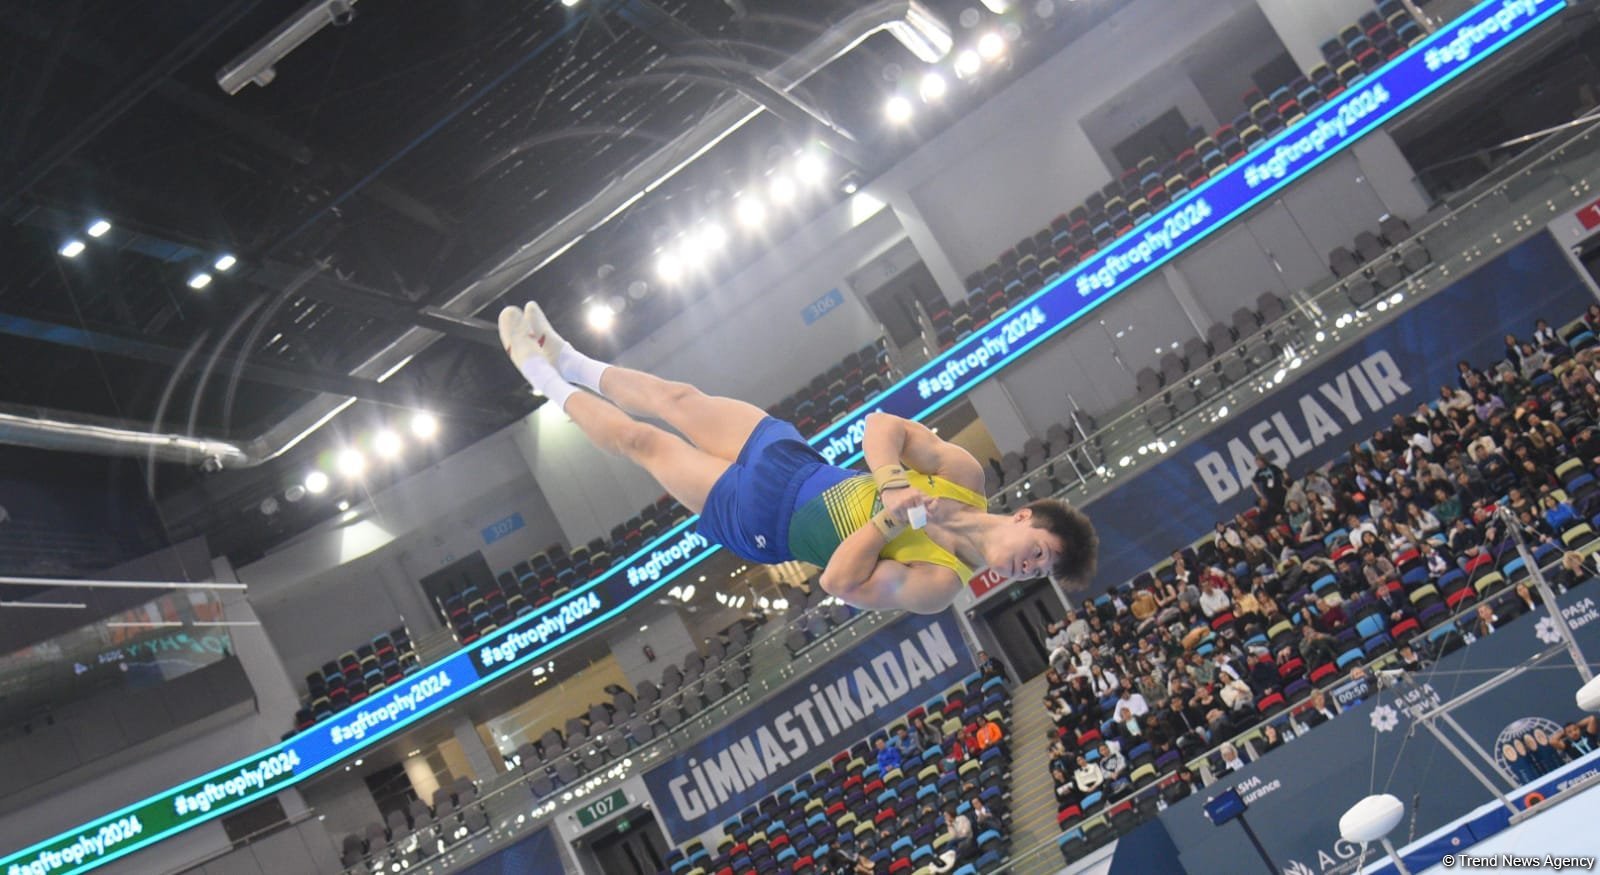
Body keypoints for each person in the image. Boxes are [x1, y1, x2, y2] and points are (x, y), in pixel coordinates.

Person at [498, 303, 1099, 613]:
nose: (1029, 567)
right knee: (680, 400)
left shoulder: (941, 583)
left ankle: (538, 376)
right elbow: (881, 425)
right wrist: (892, 484)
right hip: (795, 464)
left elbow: (839, 583)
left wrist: (888, 523)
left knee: (646, 444)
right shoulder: (964, 476)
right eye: (1039, 553)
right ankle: (565, 356)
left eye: (1039, 572)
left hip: (770, 523)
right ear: (1025, 516)